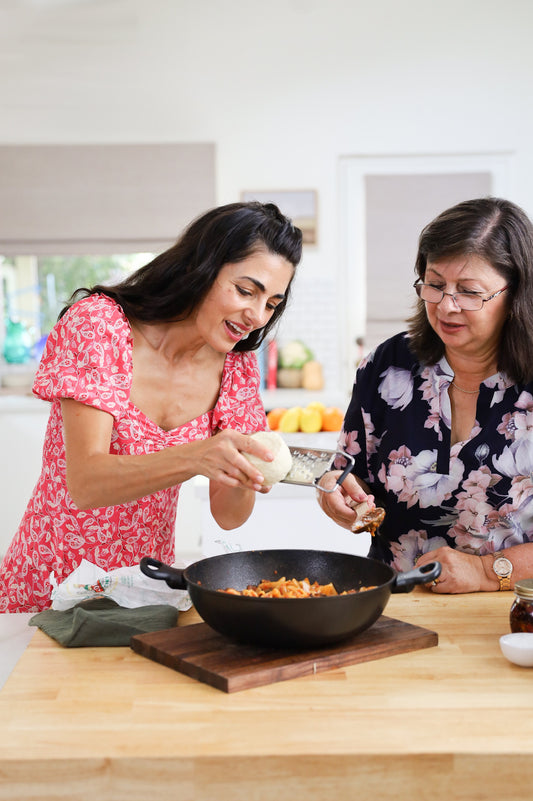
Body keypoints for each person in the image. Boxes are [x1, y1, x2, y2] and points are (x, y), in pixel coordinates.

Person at [0, 201, 302, 612]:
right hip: (50, 585)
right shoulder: (100, 326)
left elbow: (229, 516)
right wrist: (199, 457)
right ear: (202, 268)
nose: (256, 316)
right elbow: (86, 483)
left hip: (142, 593)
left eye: (271, 303)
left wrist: (248, 472)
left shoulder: (236, 367)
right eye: (245, 290)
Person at [317, 197, 533, 593]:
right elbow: (353, 475)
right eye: (434, 285)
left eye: (469, 292)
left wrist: (486, 572)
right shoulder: (388, 365)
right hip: (393, 604)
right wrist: (339, 492)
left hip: (513, 612)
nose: (447, 307)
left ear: (515, 294)